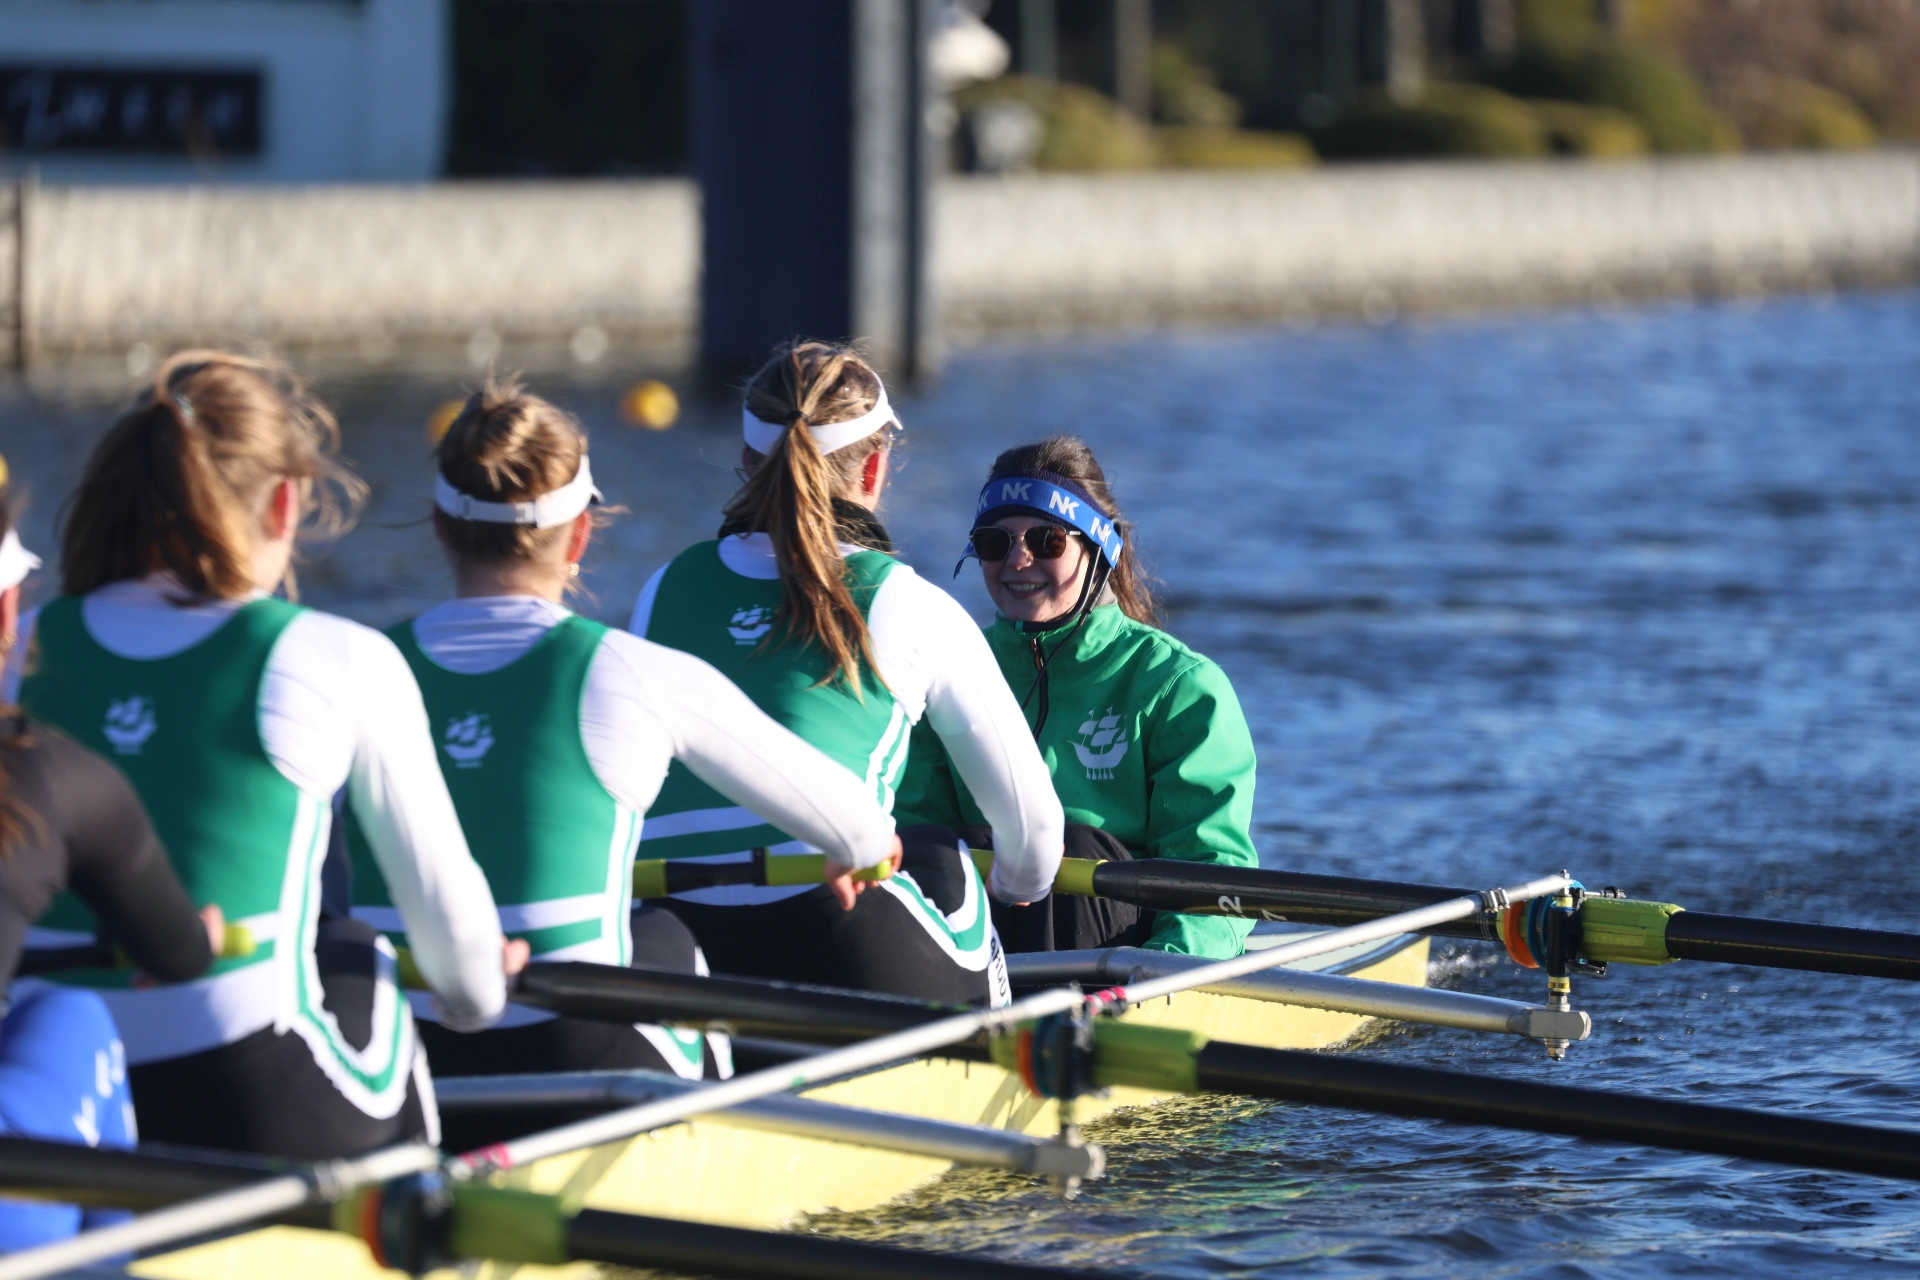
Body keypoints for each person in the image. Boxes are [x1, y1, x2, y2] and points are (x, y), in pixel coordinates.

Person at [2, 351, 518, 1159]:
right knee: (353, 948)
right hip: (248, 1098)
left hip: (61, 1093)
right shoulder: (337, 654)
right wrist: (480, 981)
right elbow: (469, 980)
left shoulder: (22, 643)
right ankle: (423, 1212)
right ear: (284, 503)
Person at [350, 376, 901, 1078]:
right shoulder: (630, 671)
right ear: (580, 532)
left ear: (438, 525)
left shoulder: (354, 666)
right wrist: (857, 849)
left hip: (404, 1046)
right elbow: (861, 835)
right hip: (568, 1042)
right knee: (663, 937)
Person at [630, 341, 1062, 1005]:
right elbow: (1036, 843)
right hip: (838, 935)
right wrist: (1012, 886)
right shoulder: (907, 600)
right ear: (875, 468)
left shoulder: (663, 587)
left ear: (746, 460)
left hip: (677, 937)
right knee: (938, 856)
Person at [894, 436, 1260, 959]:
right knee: (948, 845)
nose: (1018, 560)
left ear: (1101, 547)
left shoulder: (1179, 686)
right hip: (981, 936)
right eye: (995, 543)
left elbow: (1210, 869)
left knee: (1078, 846)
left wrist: (1163, 974)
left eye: (1046, 541)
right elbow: (913, 836)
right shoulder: (950, 670)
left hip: (1121, 953)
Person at [0, 492, 215, 1249]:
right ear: (8, 611)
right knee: (72, 1018)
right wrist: (198, 937)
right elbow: (179, 955)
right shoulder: (53, 777)